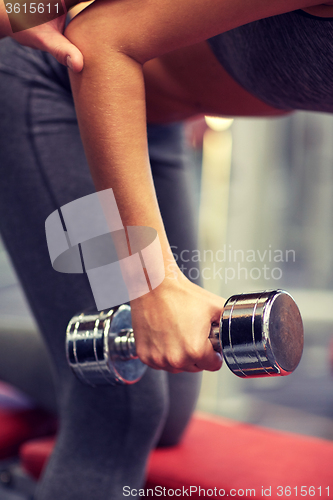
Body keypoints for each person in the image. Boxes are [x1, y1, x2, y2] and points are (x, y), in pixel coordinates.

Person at [0, 0, 332, 498]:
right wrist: (151, 283)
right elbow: (97, 32)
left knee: (168, 403)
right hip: (57, 87)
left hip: (148, 123)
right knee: (119, 403)